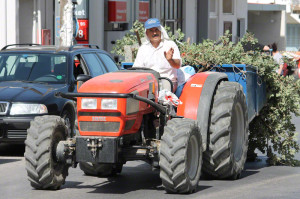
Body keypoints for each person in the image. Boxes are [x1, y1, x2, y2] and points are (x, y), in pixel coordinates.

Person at [133, 18, 182, 92]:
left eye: (156, 30)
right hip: (148, 82)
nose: (154, 33)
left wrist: (170, 60)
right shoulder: (143, 48)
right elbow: (136, 69)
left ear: (161, 31)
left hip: (167, 82)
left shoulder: (170, 45)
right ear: (147, 33)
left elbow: (177, 65)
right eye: (151, 31)